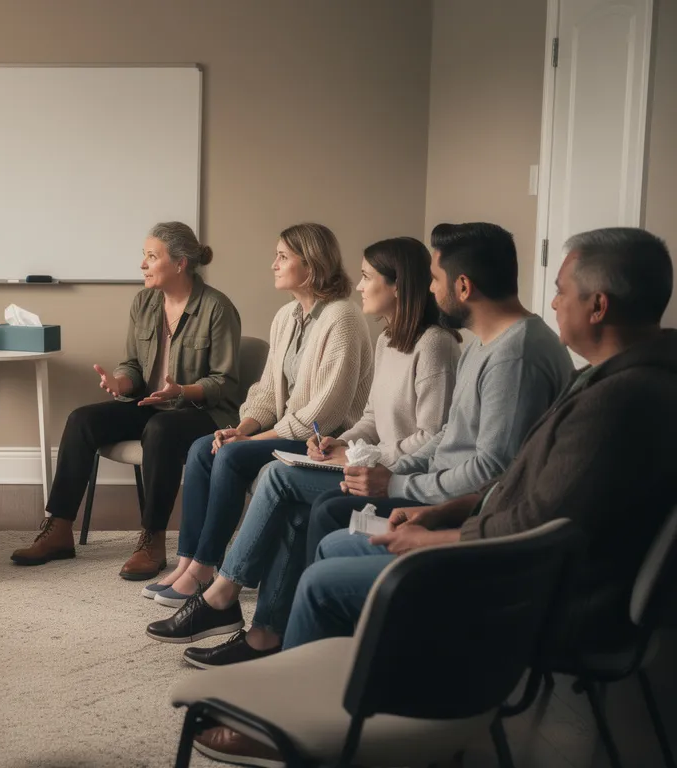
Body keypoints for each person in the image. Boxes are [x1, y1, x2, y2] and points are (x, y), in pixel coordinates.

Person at [189, 226, 677, 768]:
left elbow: (540, 522)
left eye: (563, 290)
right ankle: (356, 702)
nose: (555, 301)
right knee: (330, 545)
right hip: (512, 554)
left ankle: (298, 730)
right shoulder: (616, 377)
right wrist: (442, 510)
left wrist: (435, 536)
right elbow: (516, 482)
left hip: (535, 592)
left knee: (324, 582)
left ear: (599, 305)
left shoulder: (614, 399)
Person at [147, 237, 460, 659]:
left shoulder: (434, 344)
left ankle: (221, 593)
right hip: (362, 461)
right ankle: (263, 632)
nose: (359, 285)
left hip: (399, 476)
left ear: (398, 285)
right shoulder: (388, 339)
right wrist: (342, 442)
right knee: (264, 485)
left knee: (277, 477)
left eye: (367, 277)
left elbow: (433, 436)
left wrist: (360, 454)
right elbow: (369, 417)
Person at [301, 222, 575, 558]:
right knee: (331, 504)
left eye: (434, 279)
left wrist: (396, 484)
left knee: (330, 514)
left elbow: (492, 471)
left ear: (463, 287)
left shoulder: (515, 357)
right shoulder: (482, 345)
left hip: (464, 511)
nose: (429, 289)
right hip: (436, 487)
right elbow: (448, 433)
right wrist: (391, 472)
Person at [151, 223, 374, 605]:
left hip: (326, 443)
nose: (274, 264)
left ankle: (205, 568)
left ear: (311, 264)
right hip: (290, 433)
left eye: (283, 257)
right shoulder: (287, 316)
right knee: (203, 448)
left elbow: (325, 414)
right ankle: (188, 561)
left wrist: (250, 440)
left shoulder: (343, 318)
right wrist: (241, 428)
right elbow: (267, 393)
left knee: (232, 455)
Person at [9, 222, 242, 579]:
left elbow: (224, 383)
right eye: (144, 256)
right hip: (150, 404)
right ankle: (59, 529)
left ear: (180, 263)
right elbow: (134, 364)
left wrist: (181, 391)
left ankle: (153, 538)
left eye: (152, 257)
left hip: (202, 412)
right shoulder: (144, 302)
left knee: (161, 428)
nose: (142, 265)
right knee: (81, 420)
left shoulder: (217, 308)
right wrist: (120, 382)